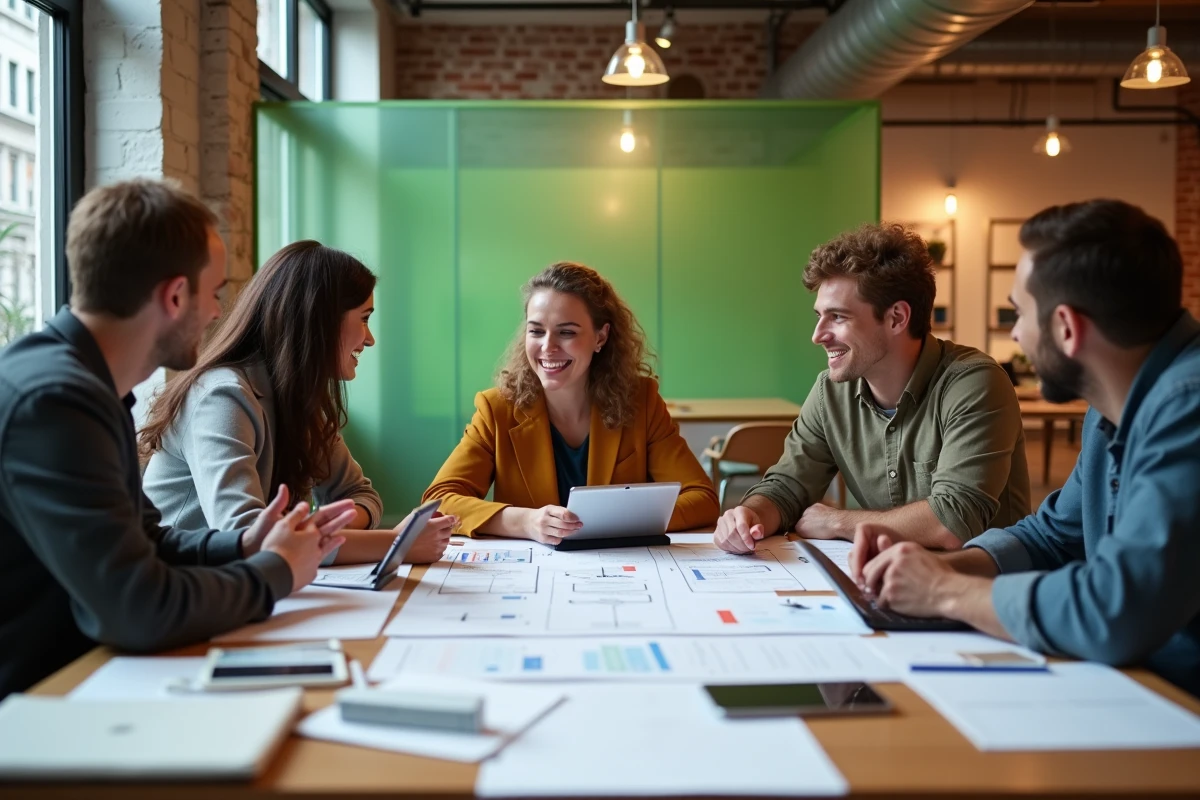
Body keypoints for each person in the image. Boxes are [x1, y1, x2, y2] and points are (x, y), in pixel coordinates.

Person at [0, 180, 356, 699]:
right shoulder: (55, 402)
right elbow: (137, 608)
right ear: (173, 296)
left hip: (83, 680)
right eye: (213, 293)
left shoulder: (84, 384)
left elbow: (152, 542)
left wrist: (244, 544)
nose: (217, 313)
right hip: (40, 705)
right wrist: (275, 572)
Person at [853, 200, 1200, 697]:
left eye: (1019, 313)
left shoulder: (1187, 407)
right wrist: (937, 565)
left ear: (1065, 328)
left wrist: (944, 592)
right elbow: (1054, 537)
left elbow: (1116, 609)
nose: (1014, 334)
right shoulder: (1115, 405)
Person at [715, 223, 1030, 555]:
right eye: (819, 316)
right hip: (890, 580)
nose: (818, 335)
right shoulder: (830, 392)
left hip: (987, 590)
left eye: (837, 316)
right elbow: (787, 487)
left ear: (896, 318)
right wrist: (749, 514)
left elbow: (953, 521)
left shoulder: (974, 382)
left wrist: (838, 522)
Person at [141, 241, 456, 565]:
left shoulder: (299, 402)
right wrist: (394, 544)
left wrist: (315, 534)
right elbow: (246, 537)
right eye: (363, 318)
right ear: (319, 320)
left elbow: (362, 496)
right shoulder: (223, 398)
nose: (369, 338)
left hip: (242, 589)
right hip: (187, 591)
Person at [424, 261, 719, 544]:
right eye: (536, 331)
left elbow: (702, 499)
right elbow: (439, 502)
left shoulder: (641, 401)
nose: (548, 347)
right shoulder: (496, 409)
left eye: (566, 332)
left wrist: (607, 522)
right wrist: (525, 522)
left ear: (600, 337)